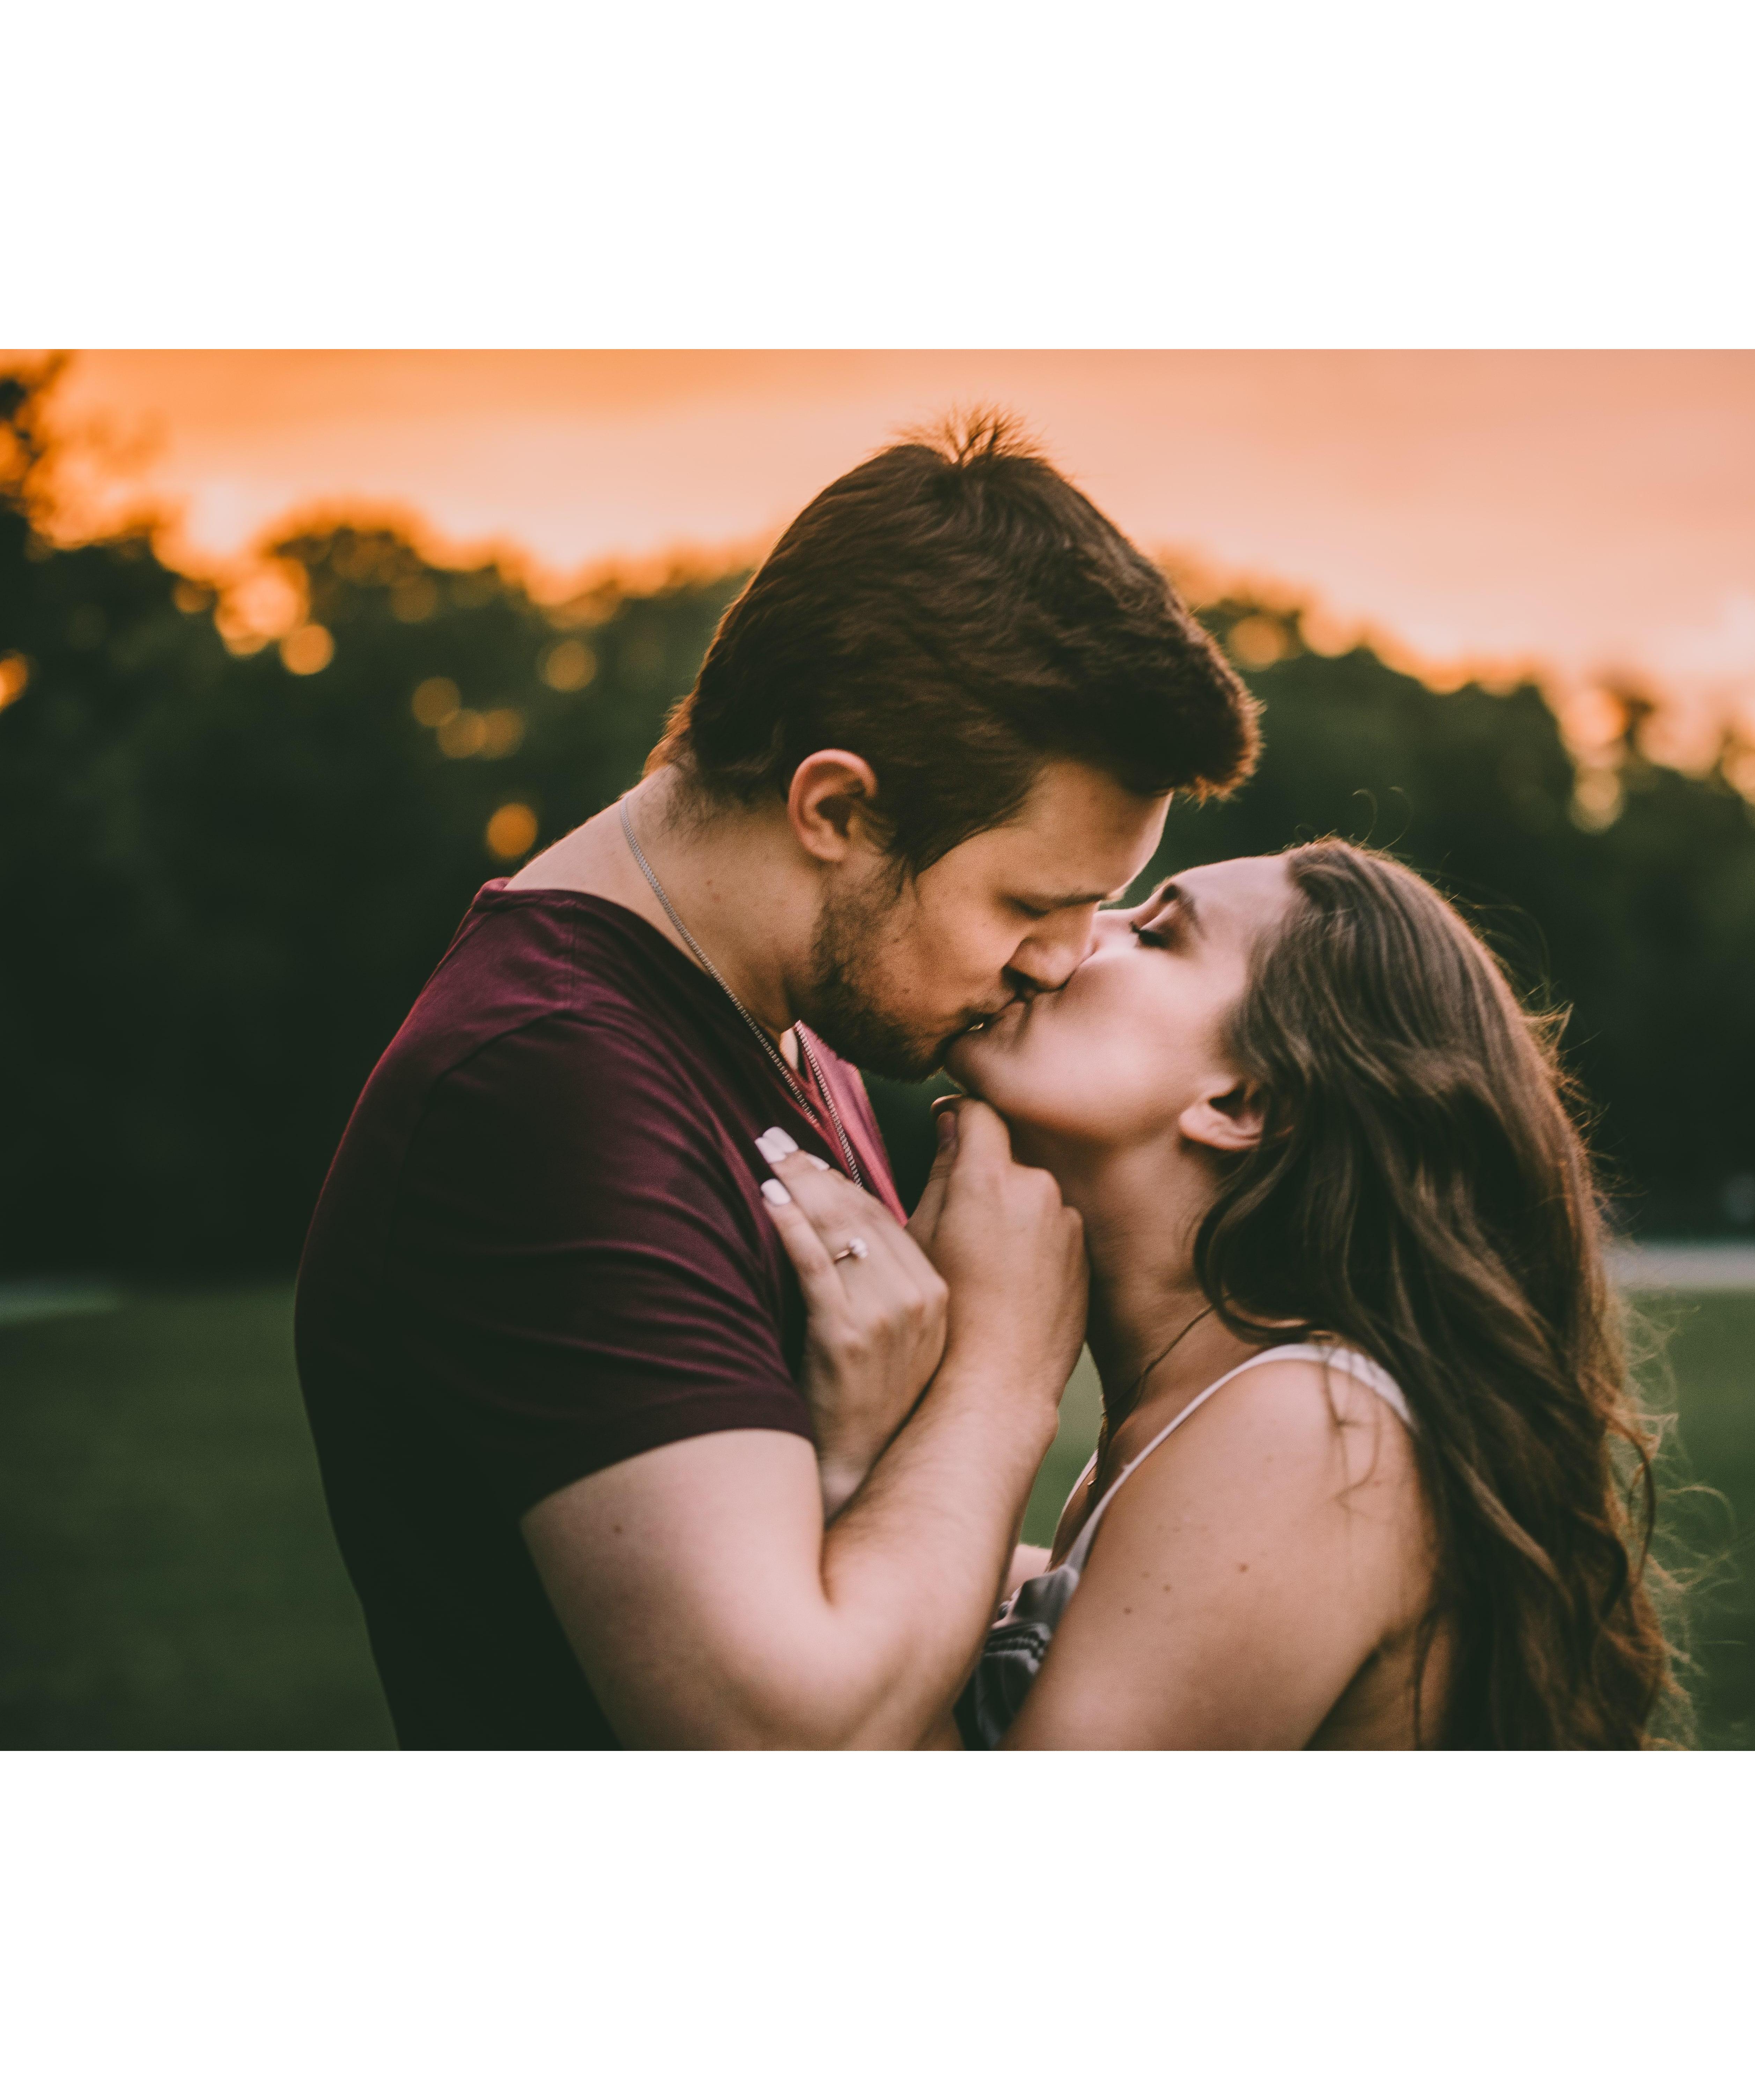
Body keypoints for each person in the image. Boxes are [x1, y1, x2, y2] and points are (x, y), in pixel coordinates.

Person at [293, 413, 1261, 1748]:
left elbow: (888, 1566)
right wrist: (1001, 1376)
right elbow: (786, 1737)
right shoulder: (546, 1093)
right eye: (1032, 901)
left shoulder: (786, 1022)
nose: (1061, 960)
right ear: (838, 813)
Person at [773, 839, 1682, 1747]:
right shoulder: (1180, 1433)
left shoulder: (1313, 1431)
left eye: (1157, 933)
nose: (1077, 936)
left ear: (1244, 1100)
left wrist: (961, 1408)